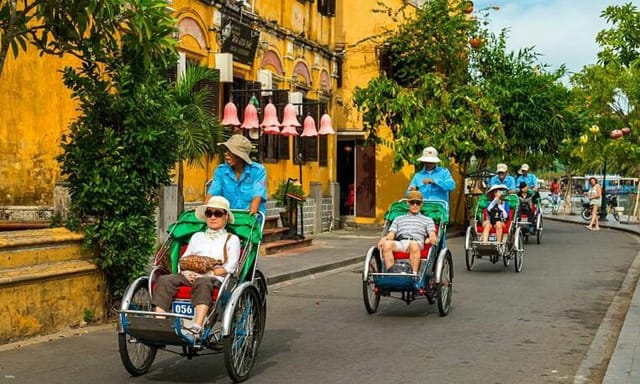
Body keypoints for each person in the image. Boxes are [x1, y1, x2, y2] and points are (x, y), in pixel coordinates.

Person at [153, 196, 241, 336]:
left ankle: (197, 327)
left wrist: (208, 274)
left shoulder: (232, 239)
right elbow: (184, 259)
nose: (212, 217)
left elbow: (231, 267)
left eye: (217, 213)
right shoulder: (197, 236)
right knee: (165, 280)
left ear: (226, 217)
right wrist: (186, 272)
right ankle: (159, 324)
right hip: (190, 274)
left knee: (202, 282)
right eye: (209, 213)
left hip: (215, 278)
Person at [377, 190, 438, 275]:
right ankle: (391, 273)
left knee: (413, 244)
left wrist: (432, 238)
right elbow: (391, 234)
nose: (415, 205)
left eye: (418, 203)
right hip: (401, 242)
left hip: (416, 242)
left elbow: (432, 233)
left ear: (421, 204)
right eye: (412, 202)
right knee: (387, 245)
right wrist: (385, 239)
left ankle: (413, 275)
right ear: (408, 203)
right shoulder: (398, 219)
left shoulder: (427, 220)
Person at [206, 134, 267, 215]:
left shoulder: (258, 171)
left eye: (230, 151)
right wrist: (205, 212)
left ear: (240, 155)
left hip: (250, 219)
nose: (226, 154)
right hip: (227, 219)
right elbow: (212, 194)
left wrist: (249, 219)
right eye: (226, 150)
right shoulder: (221, 171)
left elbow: (257, 196)